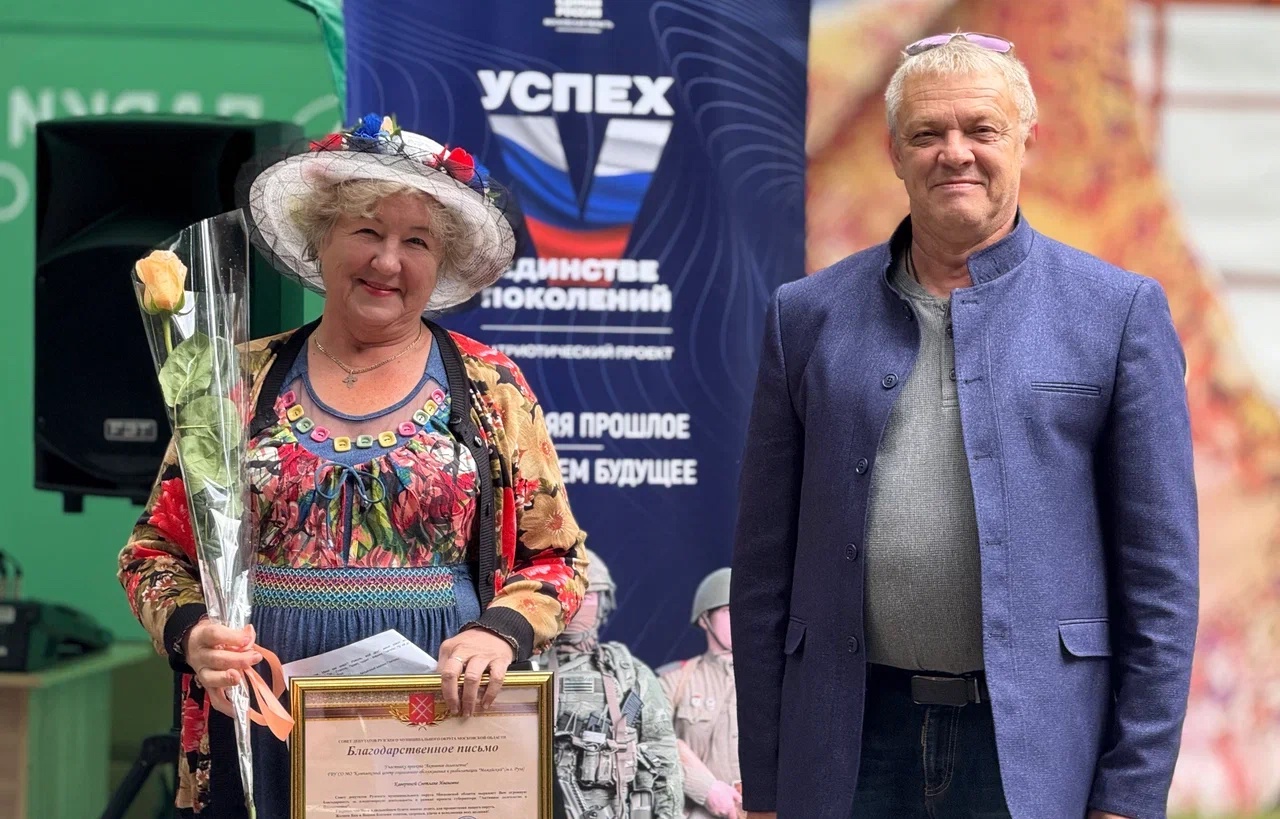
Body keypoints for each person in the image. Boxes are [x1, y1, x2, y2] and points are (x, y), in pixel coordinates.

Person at [730, 33, 1198, 819]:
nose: (956, 153)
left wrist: (1129, 792)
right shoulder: (803, 317)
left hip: (1036, 750)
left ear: (1025, 139)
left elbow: (1161, 583)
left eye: (982, 129)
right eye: (927, 132)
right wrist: (768, 782)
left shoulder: (1116, 314)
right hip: (847, 740)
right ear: (894, 151)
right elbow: (762, 570)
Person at [118, 113, 588, 818]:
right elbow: (153, 550)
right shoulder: (234, 381)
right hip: (260, 718)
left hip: (439, 730)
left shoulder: (491, 386)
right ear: (321, 239)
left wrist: (501, 630)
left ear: (443, 261)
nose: (387, 261)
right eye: (367, 231)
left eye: (417, 241)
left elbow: (557, 560)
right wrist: (192, 631)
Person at [545, 548, 682, 818]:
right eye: (567, 594)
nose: (578, 604)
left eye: (589, 595)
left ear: (604, 603)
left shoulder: (627, 672)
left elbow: (663, 756)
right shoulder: (525, 669)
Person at [659, 568, 743, 819]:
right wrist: (706, 788)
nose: (741, 618)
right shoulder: (674, 680)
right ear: (705, 619)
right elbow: (651, 744)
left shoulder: (778, 681)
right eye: (728, 611)